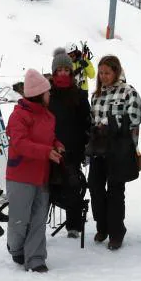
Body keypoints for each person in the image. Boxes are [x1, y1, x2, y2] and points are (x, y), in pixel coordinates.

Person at [5, 69, 63, 272]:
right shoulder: (19, 116)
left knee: (38, 218)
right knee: (20, 220)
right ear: (39, 94)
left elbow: (48, 137)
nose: (50, 95)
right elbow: (20, 144)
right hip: (21, 176)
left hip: (42, 175)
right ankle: (16, 248)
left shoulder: (48, 116)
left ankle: (36, 258)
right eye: (48, 92)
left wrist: (56, 144)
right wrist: (47, 151)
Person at [87, 55, 141, 250]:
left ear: (116, 72)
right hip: (98, 150)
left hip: (118, 150)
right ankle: (101, 226)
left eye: (107, 72)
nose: (103, 76)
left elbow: (135, 120)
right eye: (101, 73)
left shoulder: (129, 92)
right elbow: (91, 120)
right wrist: (95, 130)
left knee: (115, 191)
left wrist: (114, 126)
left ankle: (116, 231)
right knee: (95, 187)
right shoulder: (96, 95)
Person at [49, 47, 91, 239]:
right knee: (46, 188)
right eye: (59, 70)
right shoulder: (46, 94)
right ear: (54, 72)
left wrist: (86, 146)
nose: (63, 73)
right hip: (49, 149)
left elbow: (86, 122)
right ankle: (37, 226)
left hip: (73, 148)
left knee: (73, 186)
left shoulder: (80, 95)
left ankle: (73, 225)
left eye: (66, 70)